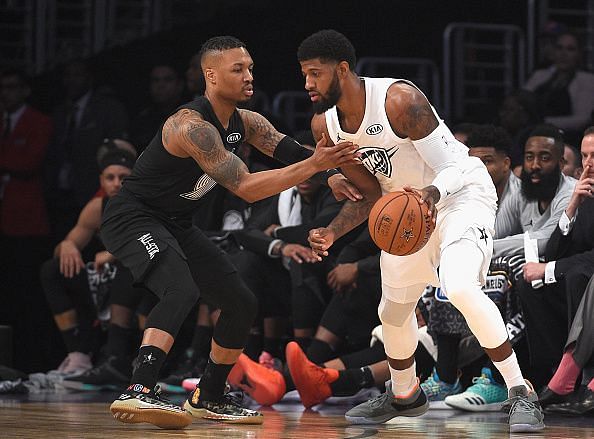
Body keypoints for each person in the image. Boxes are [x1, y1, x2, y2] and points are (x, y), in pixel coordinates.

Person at [100, 35, 361, 429]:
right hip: (135, 218)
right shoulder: (190, 127)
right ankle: (139, 389)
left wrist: (332, 176)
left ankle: (209, 395)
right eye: (237, 69)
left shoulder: (247, 121)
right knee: (181, 289)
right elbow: (247, 187)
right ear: (210, 74)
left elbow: (288, 150)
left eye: (250, 68)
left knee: (240, 302)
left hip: (177, 222)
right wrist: (314, 168)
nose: (248, 76)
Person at [299, 29, 544, 432]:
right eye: (303, 75)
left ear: (342, 70)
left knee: (459, 285)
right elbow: (368, 193)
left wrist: (430, 193)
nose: (307, 84)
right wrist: (331, 231)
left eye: (315, 74)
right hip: (407, 211)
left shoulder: (400, 100)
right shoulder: (324, 126)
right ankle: (404, 394)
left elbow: (452, 167)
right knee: (392, 312)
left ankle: (521, 391)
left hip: (458, 195)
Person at [40, 144, 139, 379]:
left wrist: (114, 253)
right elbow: (71, 241)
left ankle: (117, 356)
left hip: (142, 280)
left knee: (126, 265)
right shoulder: (97, 207)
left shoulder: (146, 203)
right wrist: (66, 246)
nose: (116, 183)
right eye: (110, 178)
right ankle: (78, 353)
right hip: (104, 281)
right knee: (52, 269)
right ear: (101, 180)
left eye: (123, 178)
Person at [517, 127, 594, 390]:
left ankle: (576, 377)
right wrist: (572, 205)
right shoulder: (586, 193)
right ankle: (549, 374)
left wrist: (549, 269)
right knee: (529, 285)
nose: (588, 164)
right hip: (581, 287)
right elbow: (554, 252)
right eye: (584, 156)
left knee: (576, 278)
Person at [523, 32, 594, 146]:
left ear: (579, 54)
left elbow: (582, 119)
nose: (563, 54)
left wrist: (543, 123)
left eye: (570, 49)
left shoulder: (587, 80)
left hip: (567, 139)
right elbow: (521, 100)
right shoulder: (540, 75)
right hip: (531, 134)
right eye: (559, 48)